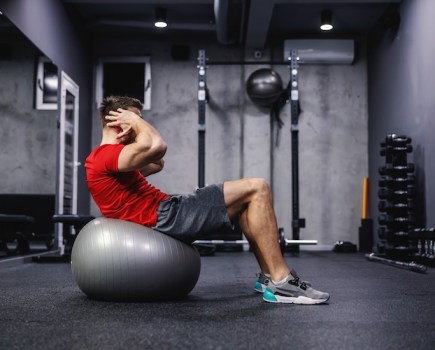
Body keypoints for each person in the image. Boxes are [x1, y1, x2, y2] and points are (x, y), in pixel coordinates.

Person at [85, 95, 330, 305]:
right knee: (259, 187)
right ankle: (282, 281)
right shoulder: (105, 157)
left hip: (169, 210)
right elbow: (158, 146)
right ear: (118, 123)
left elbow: (156, 163)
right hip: (167, 216)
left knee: (247, 202)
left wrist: (136, 127)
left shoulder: (114, 160)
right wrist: (138, 123)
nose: (139, 125)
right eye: (135, 119)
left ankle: (268, 277)